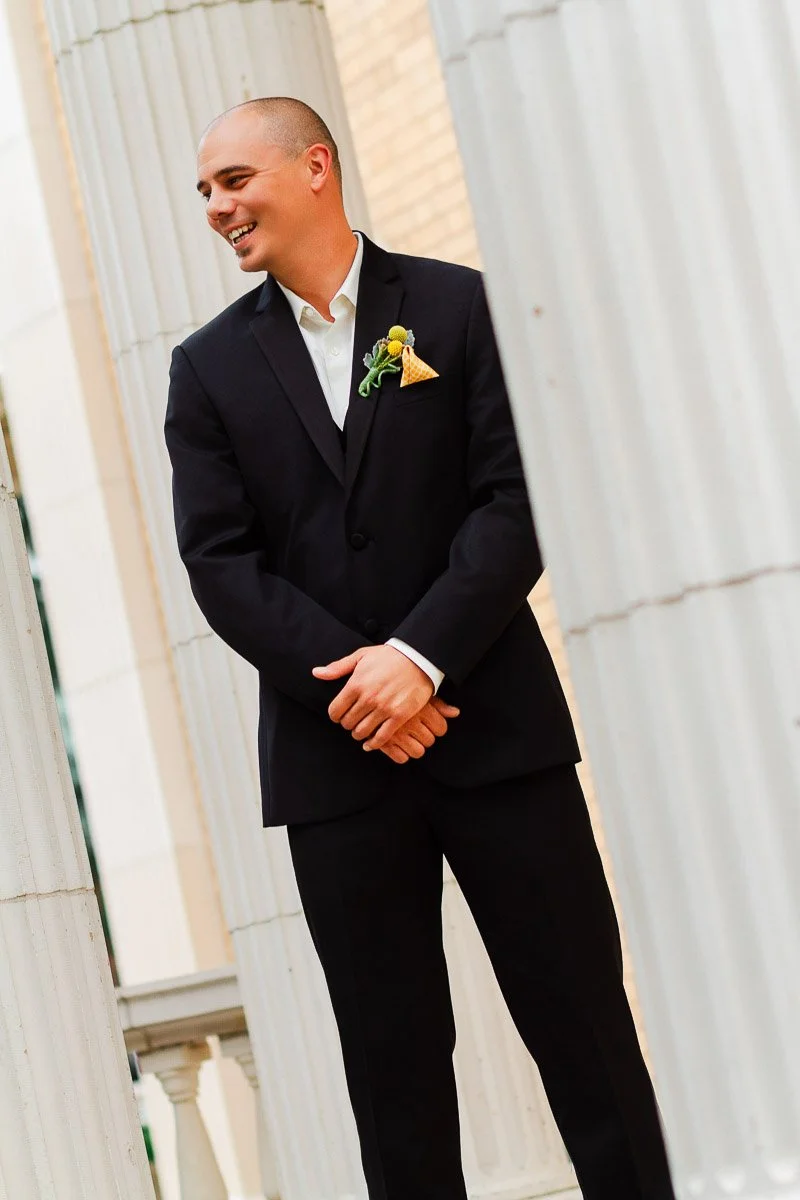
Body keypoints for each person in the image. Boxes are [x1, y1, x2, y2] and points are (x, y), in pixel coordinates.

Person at [164, 95, 675, 1200]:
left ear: (312, 167)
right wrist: (362, 684)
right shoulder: (205, 371)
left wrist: (422, 658)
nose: (216, 206)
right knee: (392, 1079)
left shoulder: (452, 310)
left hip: (496, 735)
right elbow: (220, 564)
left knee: (585, 1034)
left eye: (232, 180)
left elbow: (513, 496)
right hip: (336, 767)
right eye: (204, 190)